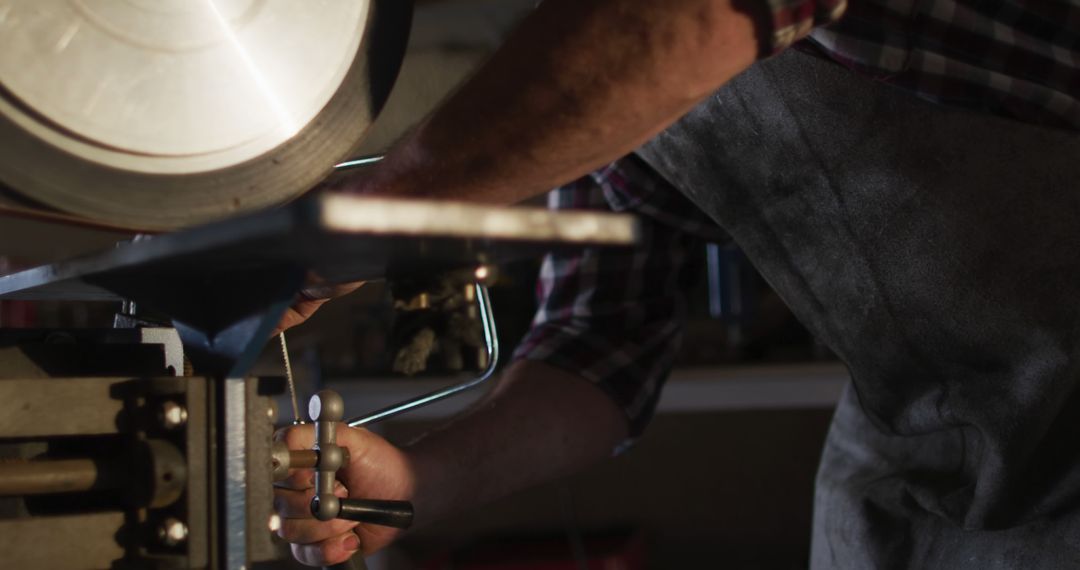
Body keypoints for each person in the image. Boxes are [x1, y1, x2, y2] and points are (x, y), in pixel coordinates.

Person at [274, 0, 1080, 567]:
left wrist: (367, 223)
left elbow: (695, 16)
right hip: (924, 459)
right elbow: (599, 340)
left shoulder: (627, 37)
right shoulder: (581, 57)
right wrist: (420, 481)